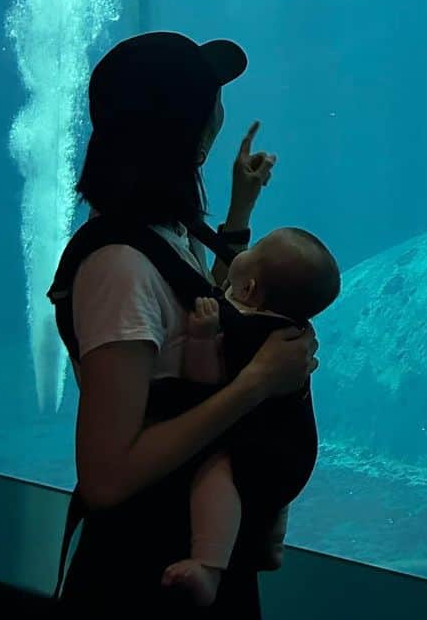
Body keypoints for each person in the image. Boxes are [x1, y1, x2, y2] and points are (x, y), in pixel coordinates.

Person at [50, 31, 319, 617]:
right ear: (186, 129)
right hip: (147, 575)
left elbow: (206, 308)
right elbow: (106, 477)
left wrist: (240, 208)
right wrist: (259, 384)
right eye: (208, 96)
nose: (220, 103)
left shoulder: (161, 229)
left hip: (191, 552)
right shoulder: (119, 267)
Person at [162, 227, 341, 606]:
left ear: (248, 290)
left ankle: (209, 566)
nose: (248, 248)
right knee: (264, 491)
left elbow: (206, 384)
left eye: (255, 247)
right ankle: (271, 540)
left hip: (262, 453)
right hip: (295, 450)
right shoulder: (289, 330)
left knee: (216, 474)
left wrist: (199, 339)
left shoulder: (241, 328)